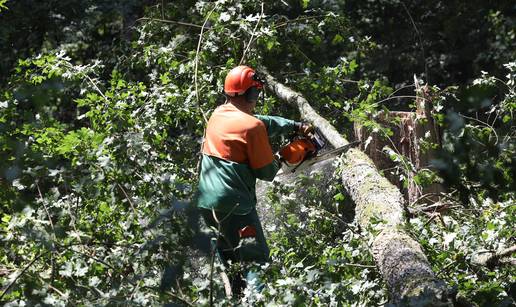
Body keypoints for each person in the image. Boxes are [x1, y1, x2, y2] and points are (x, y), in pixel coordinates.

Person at [197, 65, 311, 295]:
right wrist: (287, 154)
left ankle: (237, 299)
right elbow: (266, 172)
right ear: (252, 94)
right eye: (256, 93)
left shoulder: (218, 114)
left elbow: (259, 122)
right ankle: (259, 300)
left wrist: (295, 126)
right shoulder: (252, 126)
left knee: (231, 261)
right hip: (236, 208)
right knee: (256, 262)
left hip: (206, 204)